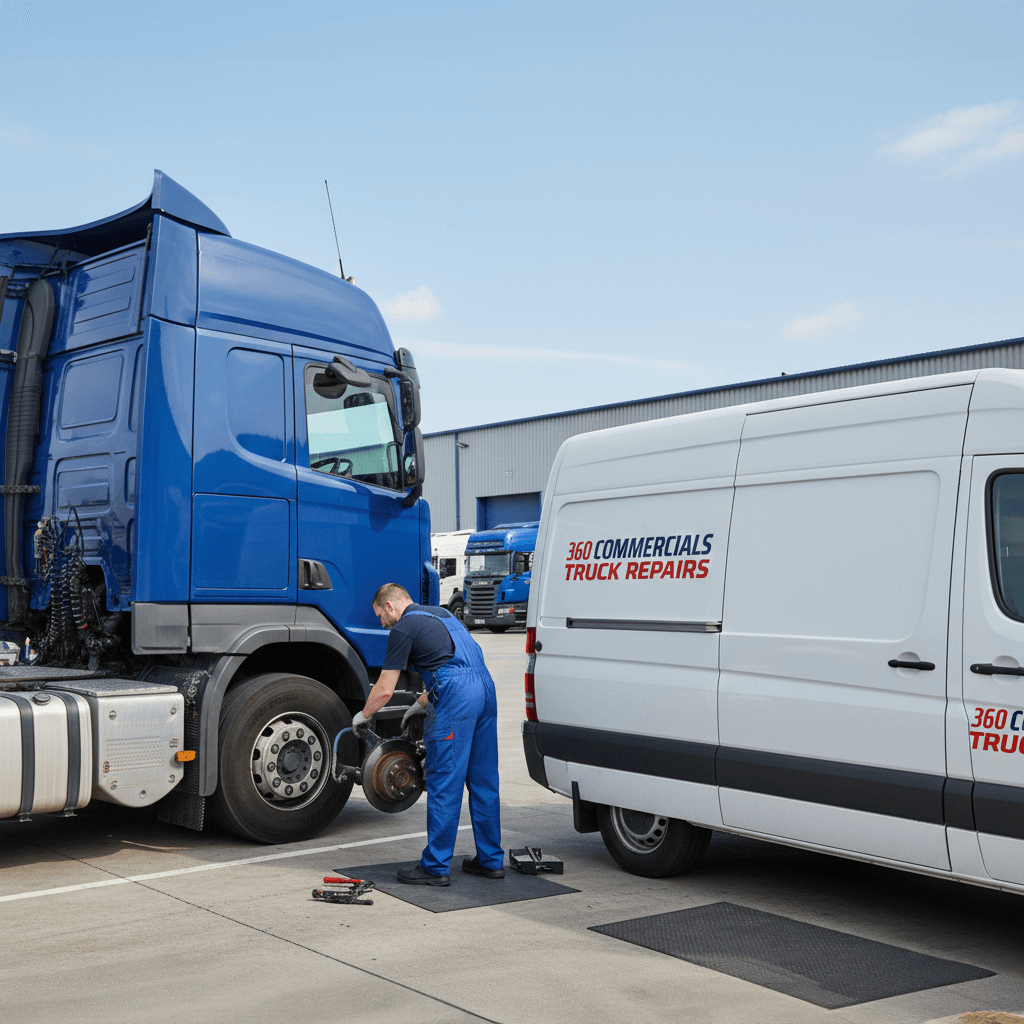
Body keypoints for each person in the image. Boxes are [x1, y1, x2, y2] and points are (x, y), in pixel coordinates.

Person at [352, 583, 504, 886]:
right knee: (484, 780)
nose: (382, 623)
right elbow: (455, 665)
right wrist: (420, 704)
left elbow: (385, 689)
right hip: (485, 689)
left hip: (457, 699)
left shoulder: (403, 628)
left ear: (390, 605)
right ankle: (491, 861)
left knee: (444, 780)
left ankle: (435, 866)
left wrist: (364, 714)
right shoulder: (444, 615)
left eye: (380, 616)